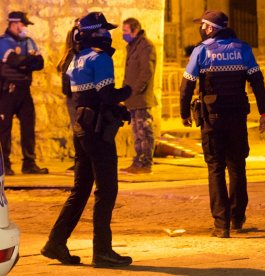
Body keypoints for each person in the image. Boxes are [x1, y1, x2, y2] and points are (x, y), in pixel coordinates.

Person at [41, 12, 133, 267]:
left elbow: (84, 97)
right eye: (104, 30)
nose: (108, 34)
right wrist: (126, 93)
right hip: (97, 132)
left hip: (81, 130)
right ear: (96, 33)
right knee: (107, 189)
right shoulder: (100, 58)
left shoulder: (76, 59)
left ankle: (55, 242)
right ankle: (102, 250)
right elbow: (105, 95)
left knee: (80, 190)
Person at [180, 10, 265, 238]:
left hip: (212, 118)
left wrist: (184, 113)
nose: (201, 29)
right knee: (238, 167)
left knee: (216, 168)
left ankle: (222, 225)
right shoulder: (243, 49)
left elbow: (187, 85)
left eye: (203, 25)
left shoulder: (202, 51)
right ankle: (237, 218)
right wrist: (264, 112)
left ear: (210, 28)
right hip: (237, 117)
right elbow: (257, 81)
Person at [0, 11, 48, 175]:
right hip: (7, 91)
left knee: (28, 127)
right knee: (4, 129)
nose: (25, 27)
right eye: (23, 24)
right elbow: (13, 60)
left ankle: (29, 163)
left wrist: (23, 62)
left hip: (24, 90)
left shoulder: (28, 41)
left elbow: (40, 62)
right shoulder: (3, 42)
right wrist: (27, 60)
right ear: (15, 23)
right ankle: (4, 164)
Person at [120, 17, 157, 174]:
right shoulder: (133, 46)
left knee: (144, 131)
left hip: (141, 98)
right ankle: (138, 161)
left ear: (135, 30)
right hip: (132, 99)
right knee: (137, 132)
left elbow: (146, 72)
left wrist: (134, 91)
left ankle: (145, 163)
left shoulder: (145, 46)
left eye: (125, 31)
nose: (123, 34)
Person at [56, 18, 80, 172]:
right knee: (77, 130)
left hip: (78, 95)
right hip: (71, 96)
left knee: (81, 130)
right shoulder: (70, 52)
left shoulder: (84, 52)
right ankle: (80, 160)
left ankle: (83, 162)